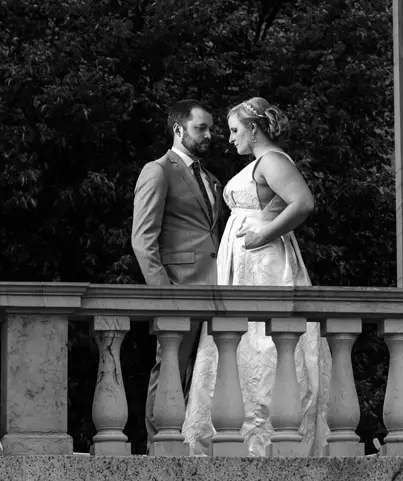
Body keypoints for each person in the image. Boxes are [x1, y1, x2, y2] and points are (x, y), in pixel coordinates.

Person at [182, 97, 331, 457]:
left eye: (234, 130)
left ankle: (261, 440)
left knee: (263, 345)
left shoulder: (273, 161)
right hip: (246, 266)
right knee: (242, 345)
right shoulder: (261, 163)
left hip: (264, 266)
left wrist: (264, 234)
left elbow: (303, 202)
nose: (229, 139)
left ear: (253, 128)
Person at [131, 99, 227, 449]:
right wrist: (164, 295)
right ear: (178, 129)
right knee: (170, 369)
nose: (209, 135)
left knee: (206, 376)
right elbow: (143, 241)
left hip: (217, 292)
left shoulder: (211, 179)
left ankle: (197, 446)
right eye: (201, 128)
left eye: (211, 128)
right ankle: (161, 448)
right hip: (179, 291)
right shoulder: (158, 170)